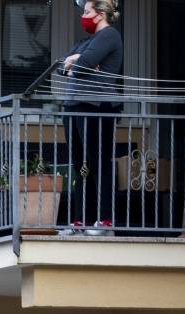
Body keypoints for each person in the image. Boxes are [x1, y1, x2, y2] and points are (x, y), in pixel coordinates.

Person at [61, 0, 124, 228]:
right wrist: (76, 62)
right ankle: (81, 219)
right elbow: (61, 66)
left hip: (96, 106)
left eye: (87, 12)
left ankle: (104, 218)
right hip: (74, 105)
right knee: (80, 164)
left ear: (99, 14)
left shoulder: (109, 35)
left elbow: (83, 63)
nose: (84, 16)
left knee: (99, 162)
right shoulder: (86, 41)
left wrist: (76, 61)